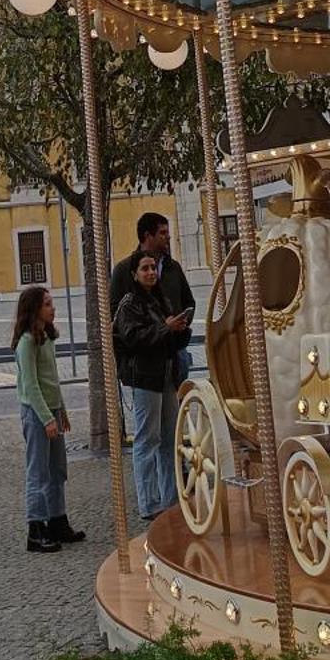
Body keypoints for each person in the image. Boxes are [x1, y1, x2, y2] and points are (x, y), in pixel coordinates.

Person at [113, 247, 186, 522]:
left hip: (166, 373)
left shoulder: (160, 299)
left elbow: (166, 336)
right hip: (145, 377)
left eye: (153, 268)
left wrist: (179, 328)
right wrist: (165, 328)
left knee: (169, 438)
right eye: (145, 268)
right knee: (147, 439)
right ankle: (148, 501)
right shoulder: (130, 303)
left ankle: (171, 498)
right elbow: (134, 338)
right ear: (135, 273)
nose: (151, 272)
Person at [13, 285, 84, 553]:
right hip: (36, 414)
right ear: (34, 310)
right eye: (47, 304)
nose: (53, 308)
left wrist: (61, 410)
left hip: (51, 411)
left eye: (52, 303)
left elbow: (52, 379)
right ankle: (36, 528)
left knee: (57, 470)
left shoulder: (46, 337)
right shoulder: (27, 342)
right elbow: (30, 386)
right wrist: (46, 418)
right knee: (38, 472)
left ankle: (57, 519)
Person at [111, 213, 195, 387]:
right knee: (149, 411)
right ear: (148, 236)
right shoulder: (124, 270)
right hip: (144, 360)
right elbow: (116, 316)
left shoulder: (173, 268)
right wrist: (161, 327)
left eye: (153, 269)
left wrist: (181, 324)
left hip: (174, 352)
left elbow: (188, 301)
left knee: (174, 407)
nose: (168, 237)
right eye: (163, 233)